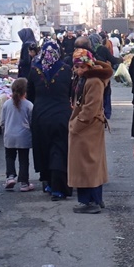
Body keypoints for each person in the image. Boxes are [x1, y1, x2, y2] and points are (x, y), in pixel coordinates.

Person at [68, 48, 113, 214]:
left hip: (87, 128)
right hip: (89, 127)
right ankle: (94, 199)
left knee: (87, 165)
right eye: (77, 67)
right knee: (90, 164)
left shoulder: (93, 81)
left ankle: (90, 201)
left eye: (82, 66)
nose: (79, 70)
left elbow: (90, 108)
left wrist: (75, 125)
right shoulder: (88, 78)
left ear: (89, 65)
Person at [30, 34, 74, 201]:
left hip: (41, 115)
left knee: (44, 148)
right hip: (62, 115)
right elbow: (71, 92)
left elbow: (30, 94)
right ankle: (59, 187)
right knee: (60, 149)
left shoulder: (35, 70)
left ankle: (48, 182)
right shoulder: (66, 69)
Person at [2, 77, 34, 192]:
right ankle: (24, 183)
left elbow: (3, 121)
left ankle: (10, 177)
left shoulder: (6, 104)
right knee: (24, 159)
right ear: (26, 91)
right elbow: (31, 122)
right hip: (23, 136)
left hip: (9, 135)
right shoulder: (29, 105)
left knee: (9, 157)